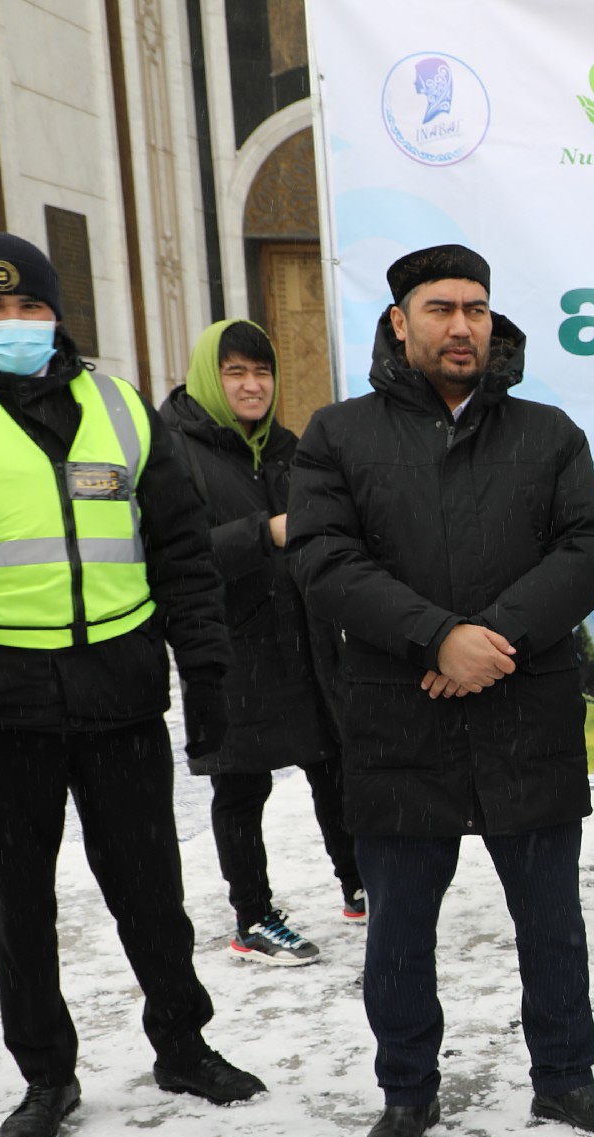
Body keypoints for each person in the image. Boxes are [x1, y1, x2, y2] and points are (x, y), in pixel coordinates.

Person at [0, 232, 261, 1137]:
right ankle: (46, 1074)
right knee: (19, 907)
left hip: (119, 696)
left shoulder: (119, 406)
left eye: (30, 306)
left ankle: (183, 1045)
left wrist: (207, 678)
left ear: (56, 313)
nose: (13, 322)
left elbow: (182, 555)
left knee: (153, 892)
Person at [288, 244, 594, 1137]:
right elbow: (323, 558)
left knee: (551, 921)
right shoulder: (340, 435)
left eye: (475, 309)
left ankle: (565, 1076)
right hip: (399, 716)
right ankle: (407, 1091)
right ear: (400, 322)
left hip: (526, 711)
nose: (462, 326)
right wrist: (435, 637)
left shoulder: (546, 433)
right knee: (399, 929)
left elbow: (590, 545)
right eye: (440, 309)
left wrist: (492, 640)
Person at [163, 318, 363, 965]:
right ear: (209, 377)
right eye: (236, 373)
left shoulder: (287, 446)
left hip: (304, 639)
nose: (253, 385)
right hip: (229, 649)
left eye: (262, 372)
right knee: (241, 788)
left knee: (334, 766)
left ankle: (359, 883)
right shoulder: (172, 452)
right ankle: (252, 917)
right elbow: (175, 556)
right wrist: (263, 532)